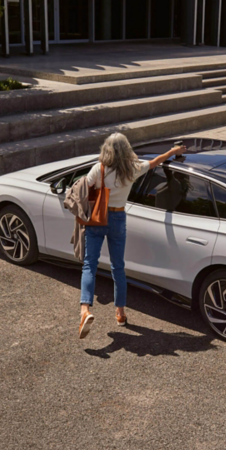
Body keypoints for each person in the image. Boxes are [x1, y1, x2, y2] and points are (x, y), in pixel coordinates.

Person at [78, 133, 187, 339]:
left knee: (89, 264)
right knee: (118, 267)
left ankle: (85, 310)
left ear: (107, 149)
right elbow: (155, 162)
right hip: (118, 218)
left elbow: (86, 190)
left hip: (98, 218)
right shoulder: (132, 169)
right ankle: (120, 314)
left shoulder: (98, 169)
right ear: (126, 149)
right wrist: (173, 151)